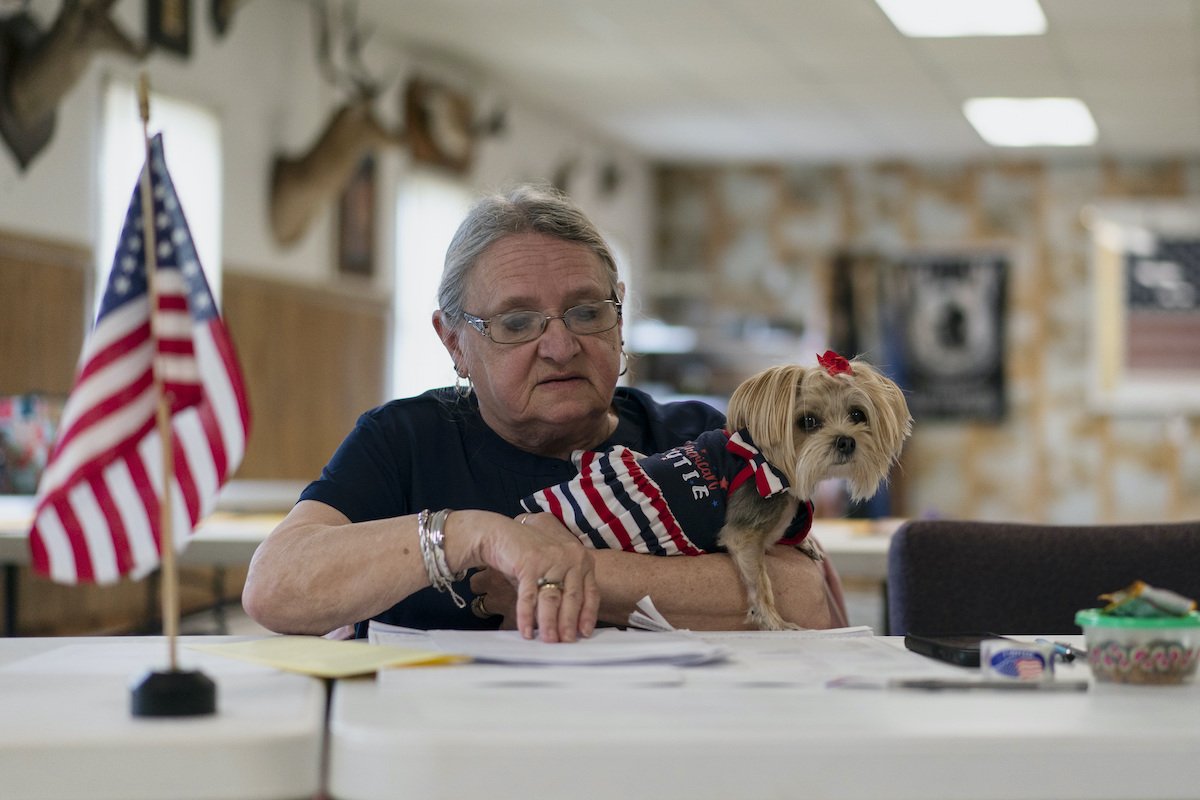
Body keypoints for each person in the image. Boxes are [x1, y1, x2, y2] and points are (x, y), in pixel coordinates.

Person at [242, 184, 839, 643]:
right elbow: (274, 587)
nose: (560, 346)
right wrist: (475, 537)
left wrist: (576, 574)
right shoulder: (406, 441)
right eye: (517, 323)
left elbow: (808, 598)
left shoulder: (699, 441)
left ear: (620, 316)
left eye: (585, 312)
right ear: (453, 343)